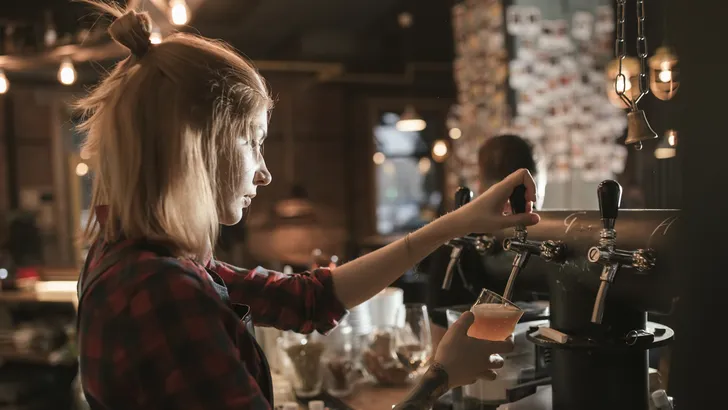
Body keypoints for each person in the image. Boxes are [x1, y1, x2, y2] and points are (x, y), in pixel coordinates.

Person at [74, 4, 540, 409]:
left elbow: (311, 299)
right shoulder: (163, 290)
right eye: (252, 143)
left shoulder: (134, 258)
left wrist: (453, 224)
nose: (264, 171)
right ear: (198, 145)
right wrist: (437, 377)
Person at [425, 134, 546, 351]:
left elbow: (438, 343)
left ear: (480, 185)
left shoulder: (549, 246)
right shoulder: (458, 247)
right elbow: (439, 335)